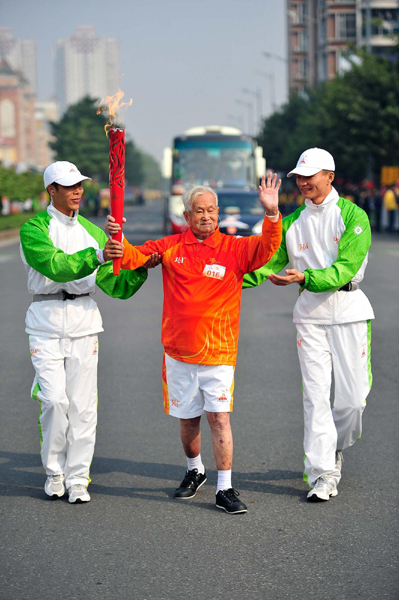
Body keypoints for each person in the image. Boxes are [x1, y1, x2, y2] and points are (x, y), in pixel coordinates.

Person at [106, 174, 282, 514]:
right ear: (187, 216)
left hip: (218, 352)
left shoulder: (236, 249)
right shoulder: (169, 247)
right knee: (188, 420)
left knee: (219, 418)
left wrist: (272, 214)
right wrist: (117, 237)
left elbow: (268, 248)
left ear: (218, 214)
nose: (206, 217)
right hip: (179, 353)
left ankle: (225, 488)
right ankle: (194, 471)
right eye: (199, 211)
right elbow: (129, 257)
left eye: (212, 211)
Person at [243, 148, 375, 502]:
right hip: (310, 316)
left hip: (348, 310)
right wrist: (223, 275)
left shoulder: (353, 216)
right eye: (298, 177)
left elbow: (346, 267)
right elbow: (267, 263)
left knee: (353, 401)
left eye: (310, 176)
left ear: (329, 177)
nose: (303, 183)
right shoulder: (291, 223)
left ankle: (333, 447)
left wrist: (307, 276)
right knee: (316, 397)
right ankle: (322, 473)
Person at [20, 161, 154, 504]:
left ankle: (78, 477)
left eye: (79, 184)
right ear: (52, 190)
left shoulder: (94, 231)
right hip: (45, 322)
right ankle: (54, 472)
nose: (77, 190)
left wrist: (141, 267)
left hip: (84, 321)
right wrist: (97, 254)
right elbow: (55, 266)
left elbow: (116, 285)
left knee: (82, 406)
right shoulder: (33, 229)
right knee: (54, 401)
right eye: (69, 186)